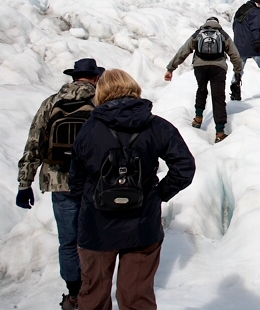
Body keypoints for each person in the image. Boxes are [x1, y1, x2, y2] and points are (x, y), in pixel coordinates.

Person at [69, 69, 195, 310]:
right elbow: (185, 167)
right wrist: (158, 194)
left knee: (93, 296)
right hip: (142, 224)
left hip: (97, 225)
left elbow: (75, 180)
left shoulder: (89, 129)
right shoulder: (156, 126)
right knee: (137, 298)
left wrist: (90, 201)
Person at [16, 58, 104, 310]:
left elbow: (34, 143)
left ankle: (74, 294)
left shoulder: (51, 103)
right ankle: (95, 291)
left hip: (58, 180)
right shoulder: (100, 102)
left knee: (68, 241)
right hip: (92, 182)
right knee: (94, 239)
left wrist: (25, 183)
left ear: (74, 77)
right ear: (95, 78)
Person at [164, 16, 243, 143]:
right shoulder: (222, 34)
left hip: (200, 67)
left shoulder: (198, 33)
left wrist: (171, 68)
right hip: (218, 68)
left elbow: (183, 51)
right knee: (218, 97)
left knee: (201, 89)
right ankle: (220, 132)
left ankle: (198, 118)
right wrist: (238, 70)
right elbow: (235, 54)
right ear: (217, 23)